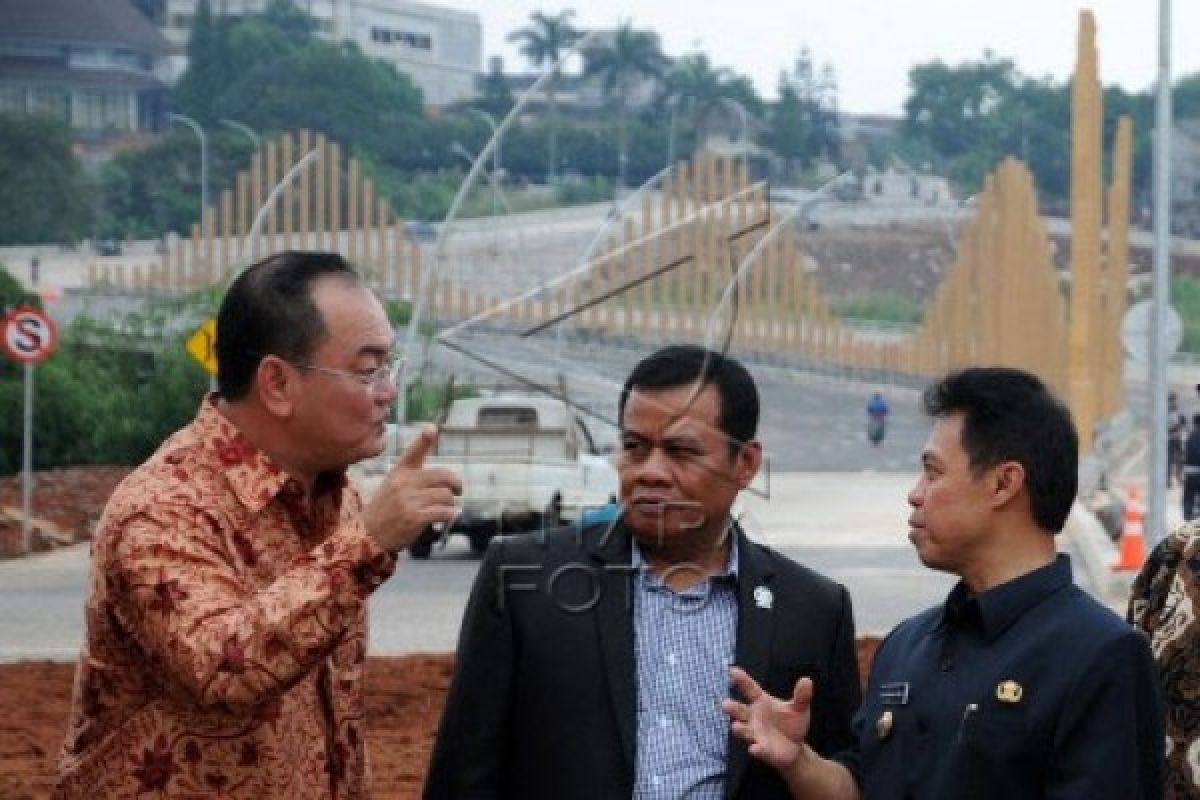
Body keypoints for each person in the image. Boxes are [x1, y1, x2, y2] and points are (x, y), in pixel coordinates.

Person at [54, 252, 461, 799]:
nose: (387, 391)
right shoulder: (163, 508)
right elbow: (225, 669)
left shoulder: (334, 502)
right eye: (368, 370)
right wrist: (368, 543)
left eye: (389, 367)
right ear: (276, 383)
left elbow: (334, 726)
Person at [424, 344, 861, 800]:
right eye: (635, 448)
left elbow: (850, 777)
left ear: (746, 464)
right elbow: (462, 774)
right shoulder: (522, 582)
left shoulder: (814, 609)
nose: (651, 471)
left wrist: (801, 762)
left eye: (681, 452)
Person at [722, 366, 1164, 800]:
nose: (915, 493)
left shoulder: (1101, 655)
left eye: (933, 472)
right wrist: (800, 762)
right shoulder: (906, 644)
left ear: (1003, 483)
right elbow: (861, 785)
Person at [1183, 413, 1200, 522]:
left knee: (1188, 497)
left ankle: (1188, 517)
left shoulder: (1189, 437)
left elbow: (1184, 454)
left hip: (1190, 473)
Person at [1168, 392, 1187, 488]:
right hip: (1169, 439)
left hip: (1178, 439)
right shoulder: (1166, 412)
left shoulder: (1178, 412)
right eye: (1172, 401)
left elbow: (1183, 423)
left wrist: (1180, 432)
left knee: (1180, 459)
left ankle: (1179, 477)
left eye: (1175, 400)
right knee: (1169, 460)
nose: (1174, 403)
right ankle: (1168, 479)